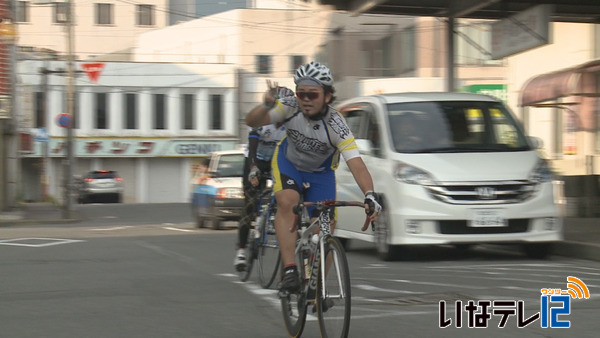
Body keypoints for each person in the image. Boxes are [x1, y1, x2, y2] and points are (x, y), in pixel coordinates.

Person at [245, 61, 382, 293]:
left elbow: (357, 165)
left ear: (327, 96)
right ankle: (289, 270)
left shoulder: (337, 125)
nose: (305, 99)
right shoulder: (289, 107)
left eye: (312, 94)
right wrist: (266, 106)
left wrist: (370, 195)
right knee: (287, 201)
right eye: (301, 93)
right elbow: (253, 121)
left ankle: (315, 287)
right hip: (289, 164)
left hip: (321, 173)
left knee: (327, 228)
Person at [234, 87, 294, 271]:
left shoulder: (292, 126)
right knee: (251, 202)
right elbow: (252, 147)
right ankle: (242, 250)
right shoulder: (263, 120)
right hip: (256, 159)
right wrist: (253, 168)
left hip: (276, 161)